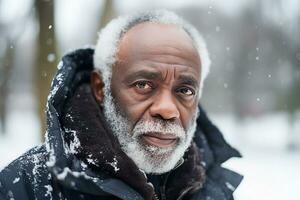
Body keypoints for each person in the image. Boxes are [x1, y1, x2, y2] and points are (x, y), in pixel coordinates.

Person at [0, 10, 242, 200]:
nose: (167, 109)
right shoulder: (25, 187)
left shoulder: (215, 188)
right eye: (144, 85)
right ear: (101, 87)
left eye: (185, 90)